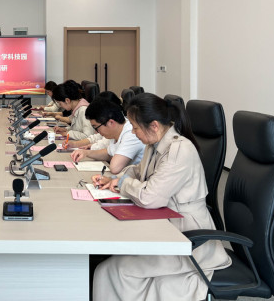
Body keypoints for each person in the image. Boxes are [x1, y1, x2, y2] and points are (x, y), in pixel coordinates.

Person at [91, 93, 231, 301]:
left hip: (189, 239)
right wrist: (117, 178)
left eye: (135, 127)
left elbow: (150, 198)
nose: (133, 132)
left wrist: (122, 183)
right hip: (167, 223)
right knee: (117, 257)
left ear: (154, 125)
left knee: (112, 270)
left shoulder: (179, 151)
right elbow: (138, 171)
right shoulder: (155, 144)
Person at [69, 98, 145, 174]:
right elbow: (109, 153)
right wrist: (86, 153)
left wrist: (112, 156)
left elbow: (115, 168)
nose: (97, 132)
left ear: (111, 122)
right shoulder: (116, 131)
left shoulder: (131, 133)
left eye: (96, 127)